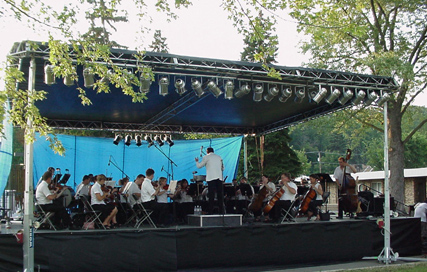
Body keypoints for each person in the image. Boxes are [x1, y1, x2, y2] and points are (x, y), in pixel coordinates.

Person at [195, 147, 224, 214]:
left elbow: (199, 166)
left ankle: (210, 211)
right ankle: (221, 211)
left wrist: (197, 161)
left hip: (211, 178)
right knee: (220, 195)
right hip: (219, 178)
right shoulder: (219, 157)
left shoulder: (206, 157)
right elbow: (223, 168)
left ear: (207, 152)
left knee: (211, 195)